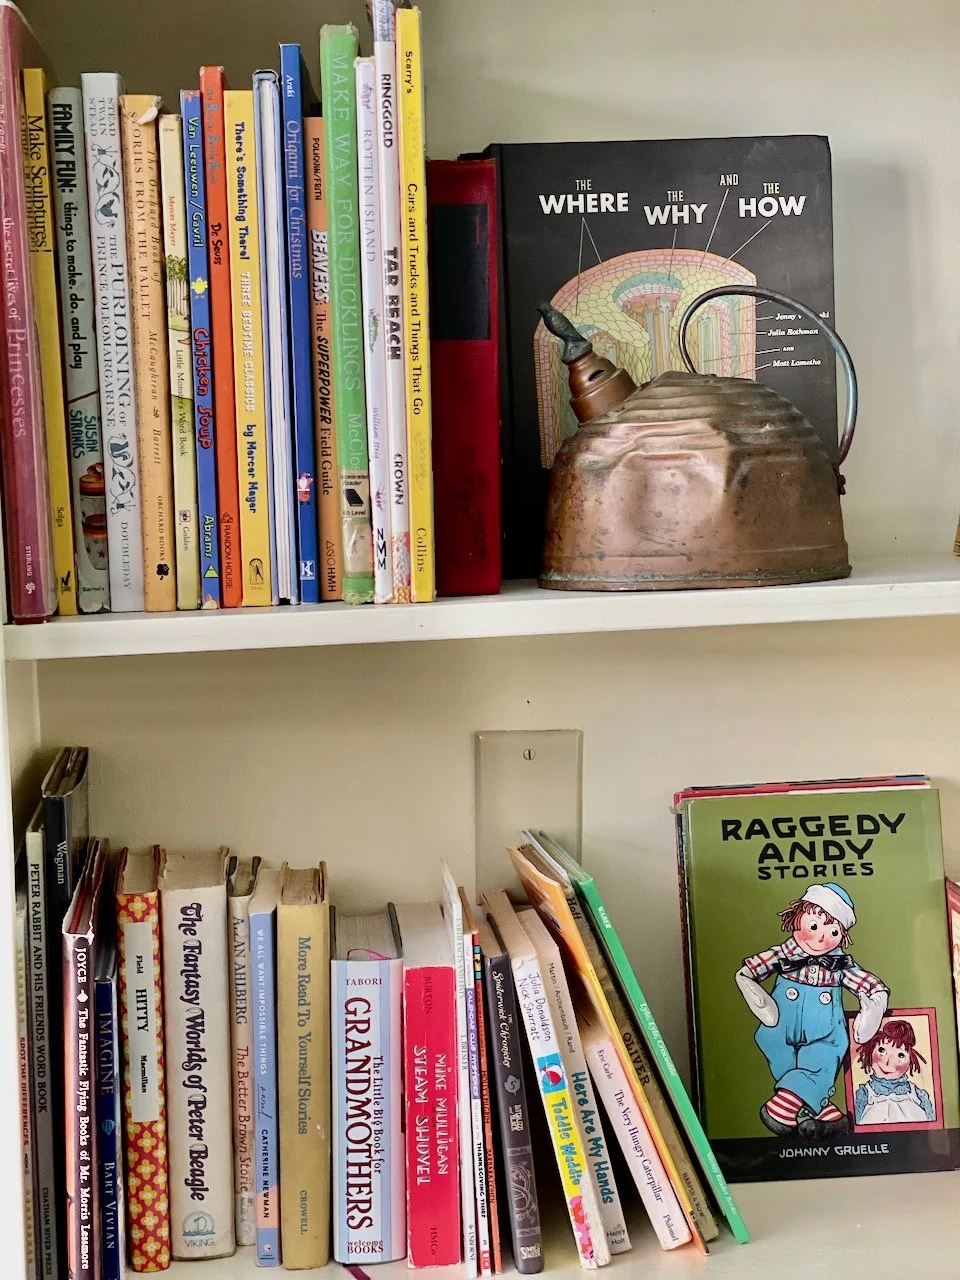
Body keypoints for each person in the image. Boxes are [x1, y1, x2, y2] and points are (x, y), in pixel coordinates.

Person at [735, 884, 888, 1138]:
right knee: (775, 1047)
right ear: (797, 917)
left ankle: (781, 1108)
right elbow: (750, 971)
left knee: (823, 1057)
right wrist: (754, 992)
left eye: (833, 931)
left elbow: (869, 985)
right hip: (781, 1020)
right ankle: (822, 1113)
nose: (820, 938)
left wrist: (874, 1003)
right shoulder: (784, 953)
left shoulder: (839, 963)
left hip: (824, 1027)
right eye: (814, 926)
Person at [854, 1019, 935, 1125]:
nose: (888, 1063)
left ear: (911, 1059)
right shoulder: (864, 1094)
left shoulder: (918, 1095)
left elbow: (932, 1126)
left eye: (901, 1055)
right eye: (882, 1050)